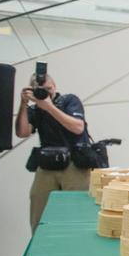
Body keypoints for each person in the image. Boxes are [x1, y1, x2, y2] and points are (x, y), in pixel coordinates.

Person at [15, 74, 95, 231]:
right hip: (47, 164)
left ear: (55, 86)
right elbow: (22, 132)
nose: (45, 94)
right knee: (38, 207)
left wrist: (49, 107)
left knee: (78, 213)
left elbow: (78, 127)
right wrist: (23, 104)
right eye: (41, 90)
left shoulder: (69, 101)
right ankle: (39, 247)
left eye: (49, 89)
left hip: (74, 163)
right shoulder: (35, 109)